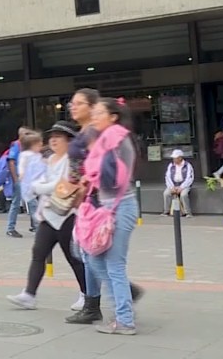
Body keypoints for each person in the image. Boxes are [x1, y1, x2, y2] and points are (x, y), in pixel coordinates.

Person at [6, 121, 86, 312]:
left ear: (69, 141)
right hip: (48, 214)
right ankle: (29, 294)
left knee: (73, 257)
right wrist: (41, 186)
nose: (54, 141)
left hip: (67, 215)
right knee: (38, 253)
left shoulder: (72, 160)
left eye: (59, 137)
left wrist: (41, 187)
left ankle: (86, 293)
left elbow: (62, 185)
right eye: (52, 137)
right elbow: (42, 181)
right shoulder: (49, 160)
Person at [79, 98, 139, 335]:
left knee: (114, 265)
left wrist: (92, 176)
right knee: (94, 260)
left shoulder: (115, 138)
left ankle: (124, 319)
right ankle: (123, 308)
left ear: (113, 116)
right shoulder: (107, 139)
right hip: (107, 207)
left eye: (98, 112)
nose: (94, 116)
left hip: (119, 207)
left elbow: (115, 178)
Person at [162, 149, 194, 217]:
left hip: (184, 185)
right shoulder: (171, 165)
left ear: (180, 158)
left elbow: (189, 178)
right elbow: (168, 177)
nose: (174, 160)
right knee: (166, 193)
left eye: (175, 158)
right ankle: (166, 211)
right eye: (173, 158)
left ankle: (188, 212)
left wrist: (181, 187)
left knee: (184, 195)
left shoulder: (188, 165)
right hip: (173, 184)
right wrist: (171, 187)